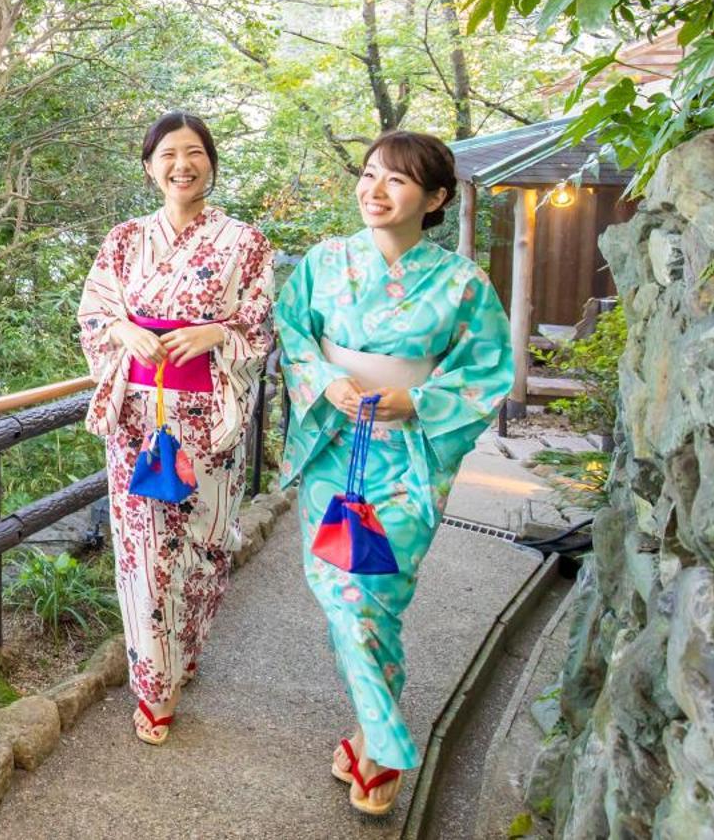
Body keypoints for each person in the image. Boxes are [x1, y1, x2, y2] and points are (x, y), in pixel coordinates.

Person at [273, 130, 513, 815]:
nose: (375, 190)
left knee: (373, 596)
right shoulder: (324, 261)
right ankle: (370, 733)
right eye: (370, 174)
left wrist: (422, 399)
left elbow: (490, 366)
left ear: (435, 197)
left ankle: (380, 742)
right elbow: (291, 330)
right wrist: (323, 378)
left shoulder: (463, 283)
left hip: (409, 456)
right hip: (334, 448)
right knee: (340, 591)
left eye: (397, 180)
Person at [77, 111, 275, 745]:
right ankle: (153, 686)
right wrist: (122, 329)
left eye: (193, 152)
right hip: (138, 417)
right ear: (148, 167)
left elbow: (262, 323)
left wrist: (218, 331)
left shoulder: (245, 241)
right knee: (143, 555)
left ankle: (182, 655)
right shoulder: (124, 239)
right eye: (167, 154)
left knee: (204, 551)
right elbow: (94, 312)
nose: (181, 164)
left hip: (208, 418)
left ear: (210, 163)